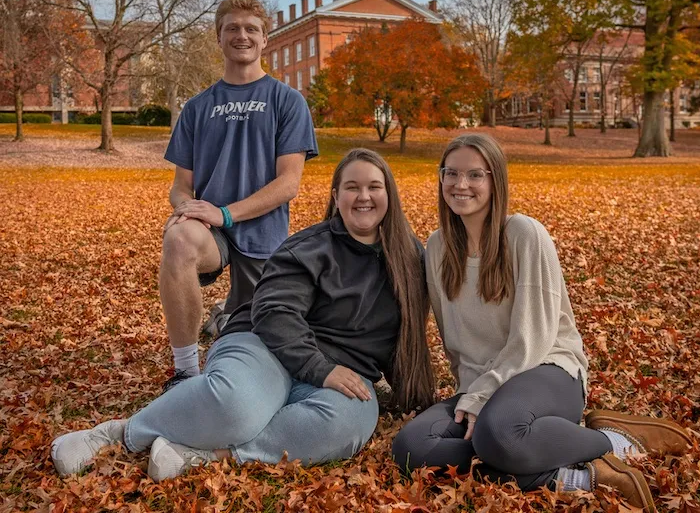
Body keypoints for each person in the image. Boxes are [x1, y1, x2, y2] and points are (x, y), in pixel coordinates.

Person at [51, 149, 435, 481]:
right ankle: (118, 433)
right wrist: (321, 369)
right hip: (264, 346)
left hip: (338, 374)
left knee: (348, 424)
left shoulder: (409, 258)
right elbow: (274, 313)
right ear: (336, 196)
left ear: (390, 195)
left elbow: (402, 334)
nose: (363, 196)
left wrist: (410, 392)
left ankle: (202, 456)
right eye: (352, 187)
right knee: (237, 407)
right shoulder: (309, 247)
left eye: (373, 186)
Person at [392, 134, 691, 513]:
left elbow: (531, 338)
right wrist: (472, 391)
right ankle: (571, 475)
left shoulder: (523, 234)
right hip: (483, 384)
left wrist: (482, 395)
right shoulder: (437, 249)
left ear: (495, 180)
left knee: (499, 435)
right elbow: (454, 341)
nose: (460, 184)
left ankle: (611, 443)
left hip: (546, 370)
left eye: (474, 175)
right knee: (411, 448)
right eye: (450, 173)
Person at [160, 0, 318, 391]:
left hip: (263, 235)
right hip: (211, 232)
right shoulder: (197, 108)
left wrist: (226, 213)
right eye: (232, 28)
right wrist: (187, 208)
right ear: (219, 37)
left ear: (266, 39)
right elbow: (181, 187)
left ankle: (225, 316)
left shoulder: (287, 101)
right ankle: (185, 372)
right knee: (178, 238)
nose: (242, 35)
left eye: (252, 29)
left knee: (269, 343)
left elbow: (289, 184)